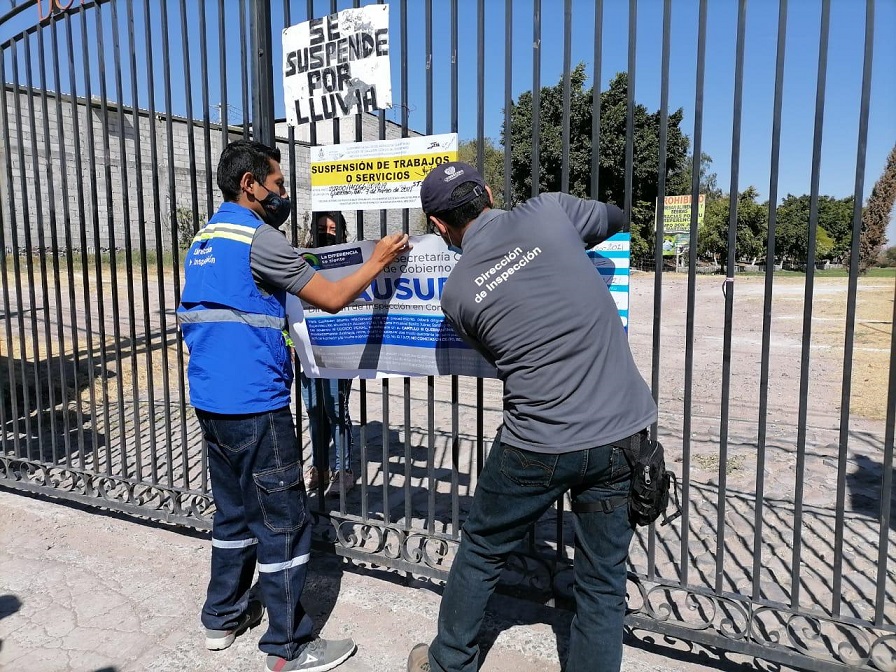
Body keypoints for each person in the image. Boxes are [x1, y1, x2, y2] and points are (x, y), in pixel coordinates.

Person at [407, 162, 657, 672]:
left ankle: (449, 662)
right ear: (490, 193)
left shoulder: (456, 294)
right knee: (602, 581)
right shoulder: (549, 212)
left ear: (438, 226)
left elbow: (498, 356)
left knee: (482, 546)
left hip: (537, 441)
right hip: (622, 433)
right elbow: (615, 217)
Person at [177, 140, 409, 672]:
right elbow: (329, 296)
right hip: (256, 402)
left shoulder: (204, 238)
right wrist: (376, 260)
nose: (283, 194)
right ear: (249, 184)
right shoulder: (259, 240)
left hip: (210, 400)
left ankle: (223, 617)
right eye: (278, 185)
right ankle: (288, 645)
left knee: (234, 513)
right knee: (284, 522)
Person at [301, 212, 356, 497]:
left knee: (335, 408)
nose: (327, 233)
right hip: (309, 347)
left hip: (340, 348)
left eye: (333, 229)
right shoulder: (303, 258)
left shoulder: (351, 259)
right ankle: (320, 468)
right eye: (322, 228)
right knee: (313, 408)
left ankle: (343, 470)